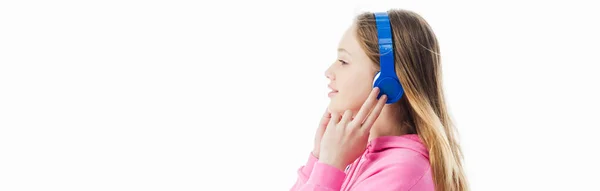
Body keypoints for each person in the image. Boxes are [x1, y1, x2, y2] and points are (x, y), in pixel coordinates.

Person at [290, 9, 469, 191]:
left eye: (344, 61)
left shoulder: (403, 170)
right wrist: (319, 159)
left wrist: (330, 167)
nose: (329, 72)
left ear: (386, 81)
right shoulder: (356, 157)